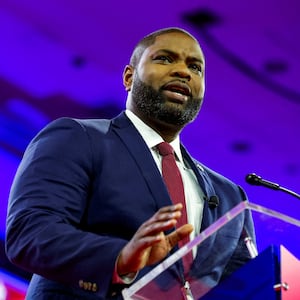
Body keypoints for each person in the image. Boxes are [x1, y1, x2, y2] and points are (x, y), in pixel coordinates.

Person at [5, 27, 255, 299]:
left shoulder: (230, 196)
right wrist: (120, 258)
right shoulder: (77, 138)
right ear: (129, 77)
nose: (184, 72)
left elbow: (244, 289)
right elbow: (30, 233)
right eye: (165, 59)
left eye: (196, 68)